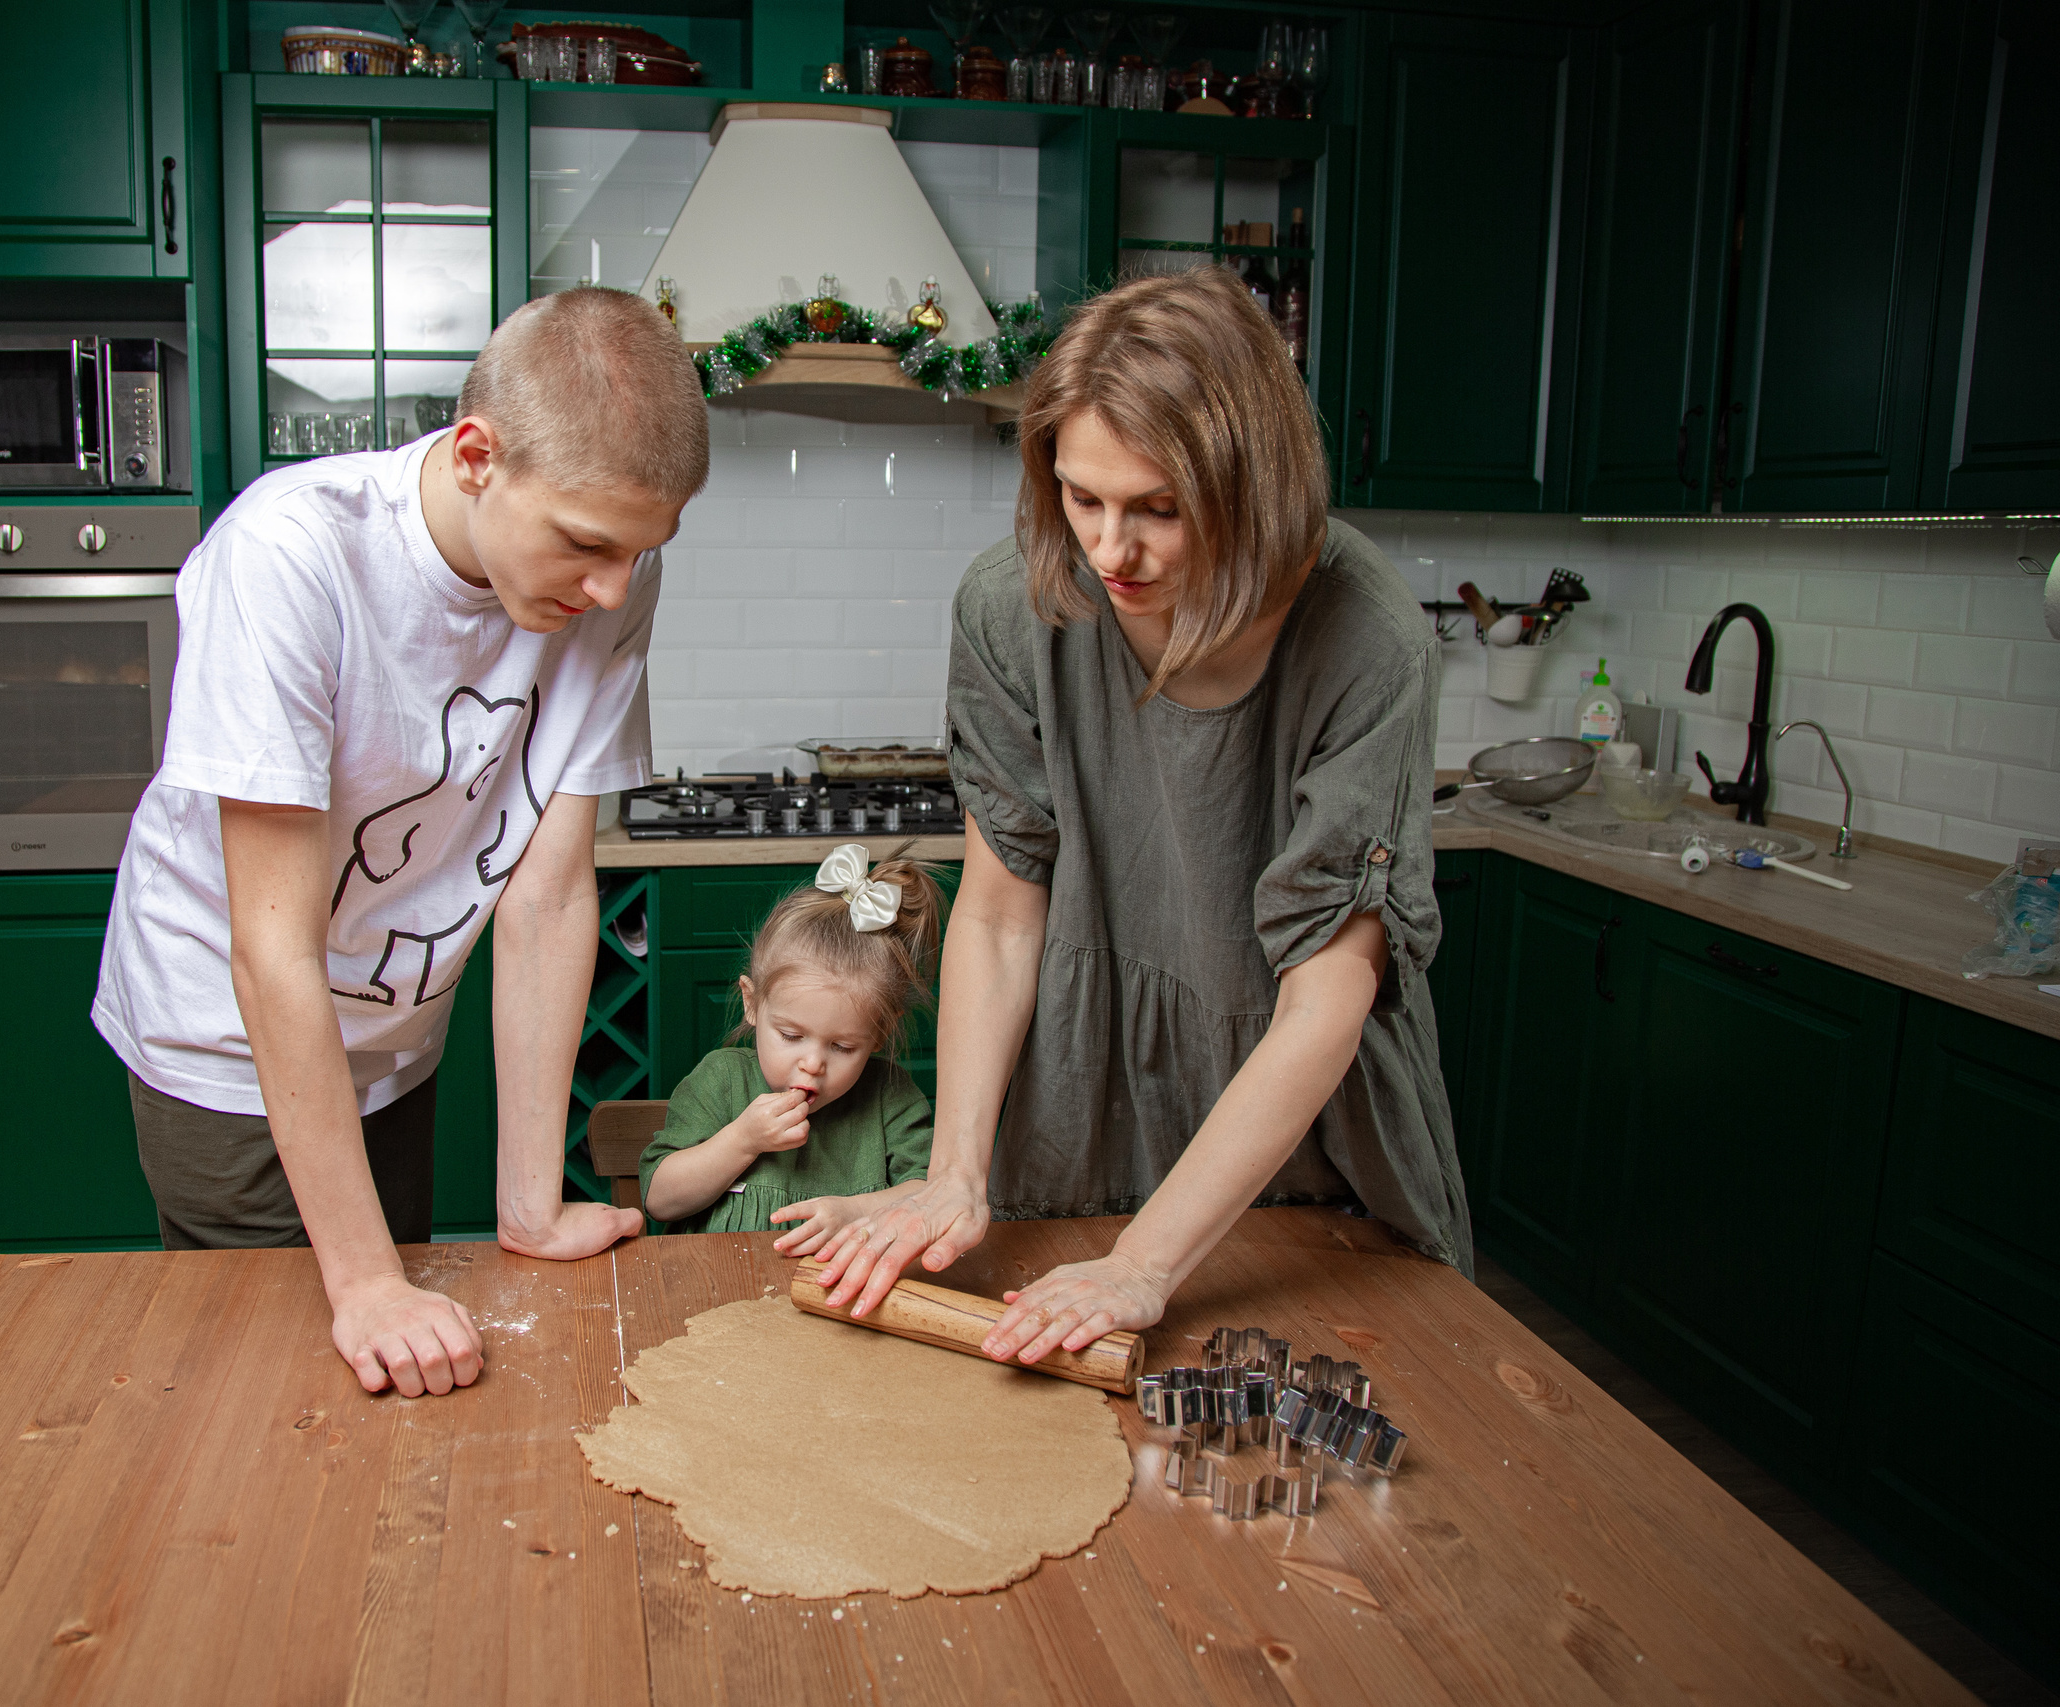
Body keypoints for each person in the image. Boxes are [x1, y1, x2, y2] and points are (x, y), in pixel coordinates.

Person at [803, 266, 1468, 1369]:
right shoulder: (1009, 607)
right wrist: (957, 1171)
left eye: (1160, 509)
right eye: (1081, 498)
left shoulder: (1368, 641)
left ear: (1251, 486)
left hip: (1293, 1141)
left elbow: (1323, 1000)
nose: (1111, 551)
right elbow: (1001, 918)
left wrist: (1146, 1264)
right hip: (1076, 1096)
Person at [93, 287, 709, 1399]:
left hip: (395, 1037)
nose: (611, 587)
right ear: (477, 456)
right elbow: (269, 951)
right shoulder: (290, 555)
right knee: (281, 1401)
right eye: (584, 545)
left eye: (639, 549)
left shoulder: (613, 576)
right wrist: (368, 1282)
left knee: (409, 1390)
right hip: (229, 1053)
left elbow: (549, 895)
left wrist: (528, 1202)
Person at [638, 844, 940, 1238]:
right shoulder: (722, 1080)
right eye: (791, 1036)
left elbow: (930, 1194)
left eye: (842, 1047)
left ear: (880, 1033)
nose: (813, 1063)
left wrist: (854, 1211)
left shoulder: (890, 1097)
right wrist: (743, 1141)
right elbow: (660, 1200)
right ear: (752, 1002)